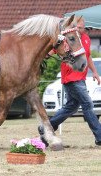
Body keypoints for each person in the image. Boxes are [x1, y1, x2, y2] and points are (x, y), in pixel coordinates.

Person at [39, 18, 101, 146]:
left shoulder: (86, 38)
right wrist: (45, 54)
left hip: (81, 78)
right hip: (71, 78)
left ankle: (46, 128)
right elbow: (52, 50)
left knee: (71, 107)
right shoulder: (67, 39)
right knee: (87, 104)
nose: (80, 30)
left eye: (82, 28)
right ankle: (99, 136)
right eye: (77, 27)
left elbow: (88, 56)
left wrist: (95, 72)